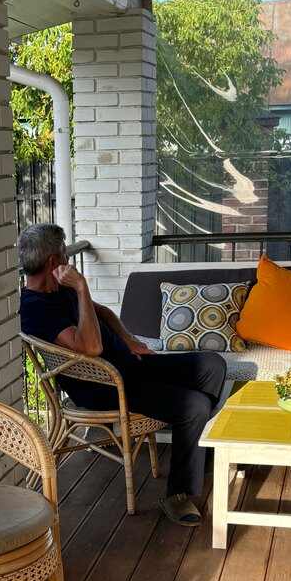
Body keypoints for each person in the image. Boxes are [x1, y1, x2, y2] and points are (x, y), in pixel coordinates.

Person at [19, 223, 226, 526]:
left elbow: (102, 312)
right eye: (65, 254)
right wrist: (82, 287)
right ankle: (176, 494)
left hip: (128, 367)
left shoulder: (59, 289)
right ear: (53, 262)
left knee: (211, 365)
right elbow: (90, 347)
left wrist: (129, 340)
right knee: (194, 405)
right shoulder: (35, 308)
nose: (68, 260)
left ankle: (196, 453)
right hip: (104, 385)